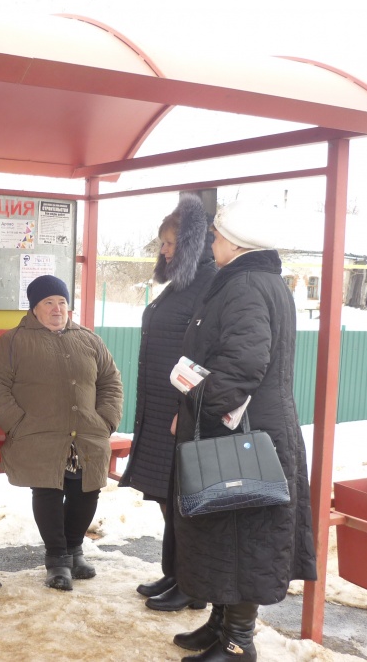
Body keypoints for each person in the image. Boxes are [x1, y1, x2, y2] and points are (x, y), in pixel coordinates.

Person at [166, 199, 316, 661]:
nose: (211, 242)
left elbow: (243, 364)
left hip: (241, 437)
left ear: (235, 242)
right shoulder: (256, 281)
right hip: (252, 430)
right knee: (225, 532)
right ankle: (219, 625)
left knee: (242, 533)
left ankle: (238, 641)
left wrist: (200, 405)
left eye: (215, 236)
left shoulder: (247, 285)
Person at [0, 274, 124, 591]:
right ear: (35, 308)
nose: (57, 308)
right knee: (47, 491)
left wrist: (106, 421)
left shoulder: (89, 340)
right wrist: (18, 424)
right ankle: (57, 559)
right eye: (49, 302)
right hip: (39, 435)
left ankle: (74, 550)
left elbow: (111, 383)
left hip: (87, 434)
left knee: (86, 491)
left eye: (62, 302)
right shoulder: (14, 341)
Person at [118, 194, 217, 612]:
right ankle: (177, 573)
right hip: (162, 408)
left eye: (171, 243)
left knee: (184, 500)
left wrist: (187, 407)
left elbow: (207, 352)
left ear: (192, 244)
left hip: (182, 412)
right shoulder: (183, 282)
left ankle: (194, 585)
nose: (163, 250)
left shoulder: (207, 284)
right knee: (168, 496)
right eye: (162, 243)